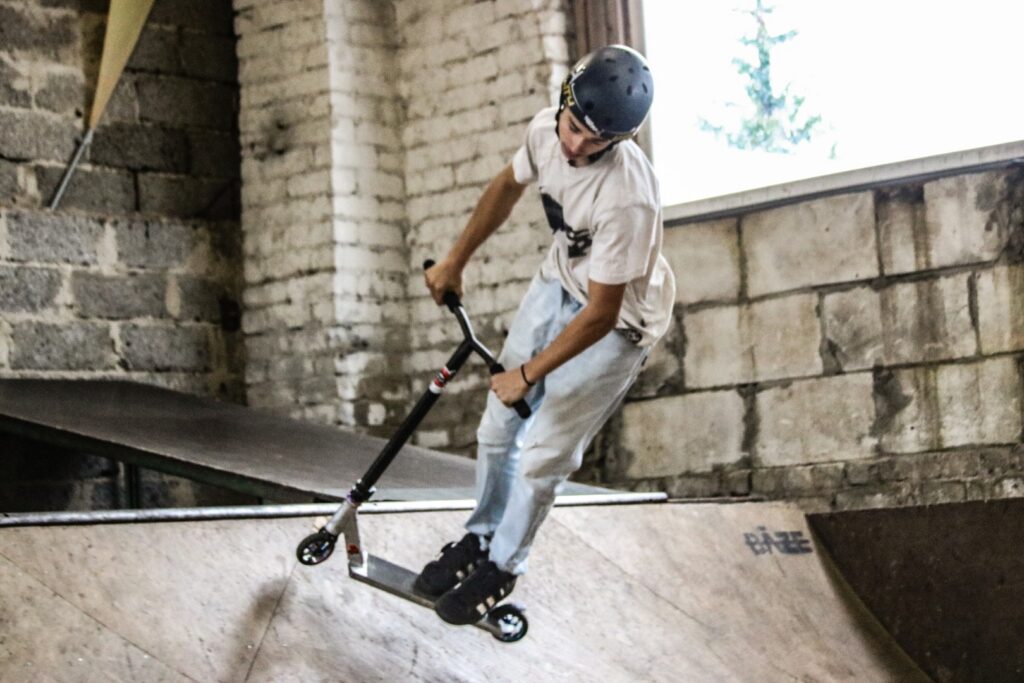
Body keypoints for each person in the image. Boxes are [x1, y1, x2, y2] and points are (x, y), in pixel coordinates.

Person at [414, 44, 676, 626]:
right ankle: (481, 538)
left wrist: (528, 375)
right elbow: (506, 187)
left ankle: (503, 565)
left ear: (620, 140)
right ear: (563, 102)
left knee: (543, 453)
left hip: (619, 323)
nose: (576, 145)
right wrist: (456, 259)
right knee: (495, 429)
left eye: (596, 141)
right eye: (574, 126)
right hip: (558, 281)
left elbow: (602, 313)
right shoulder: (544, 130)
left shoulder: (629, 196)